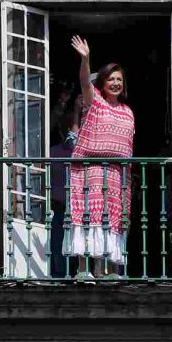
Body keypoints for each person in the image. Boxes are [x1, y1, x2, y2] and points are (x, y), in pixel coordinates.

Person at [66, 36, 134, 278]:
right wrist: (85, 59)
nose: (115, 83)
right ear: (102, 83)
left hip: (117, 176)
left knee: (112, 220)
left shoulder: (127, 111)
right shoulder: (94, 103)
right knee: (90, 218)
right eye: (111, 79)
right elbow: (85, 81)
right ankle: (85, 270)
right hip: (90, 171)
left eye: (119, 80)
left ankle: (108, 270)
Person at [48, 92, 81, 278]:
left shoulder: (82, 152)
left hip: (79, 208)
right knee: (60, 250)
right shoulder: (53, 153)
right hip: (60, 208)